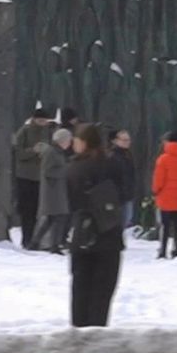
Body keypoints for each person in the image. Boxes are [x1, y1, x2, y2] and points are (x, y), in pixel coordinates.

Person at [66, 123, 124, 328]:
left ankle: (79, 332)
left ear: (84, 142)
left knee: (81, 289)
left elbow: (70, 200)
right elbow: (125, 192)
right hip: (109, 232)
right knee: (102, 293)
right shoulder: (113, 164)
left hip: (83, 234)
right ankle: (97, 332)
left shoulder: (74, 168)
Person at [13, 108, 54, 249]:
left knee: (39, 211)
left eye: (44, 120)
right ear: (34, 119)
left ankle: (37, 240)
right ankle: (27, 240)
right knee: (27, 211)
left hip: (42, 177)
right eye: (40, 120)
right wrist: (33, 151)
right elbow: (18, 153)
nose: (42, 123)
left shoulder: (49, 132)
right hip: (25, 176)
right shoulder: (24, 132)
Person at [31, 129, 73, 253]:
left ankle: (35, 243)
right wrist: (66, 170)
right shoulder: (51, 152)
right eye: (68, 141)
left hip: (56, 189)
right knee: (59, 217)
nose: (69, 143)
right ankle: (54, 245)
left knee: (51, 219)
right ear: (62, 140)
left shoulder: (57, 152)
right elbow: (47, 171)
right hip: (52, 190)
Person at [153, 131, 177, 259]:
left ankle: (163, 250)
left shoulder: (163, 159)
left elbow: (158, 179)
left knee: (165, 225)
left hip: (165, 196)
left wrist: (155, 190)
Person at [109, 130, 136, 230]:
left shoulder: (128, 155)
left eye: (128, 140)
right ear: (116, 141)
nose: (127, 142)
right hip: (117, 197)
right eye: (124, 140)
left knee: (125, 222)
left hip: (127, 195)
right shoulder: (112, 157)